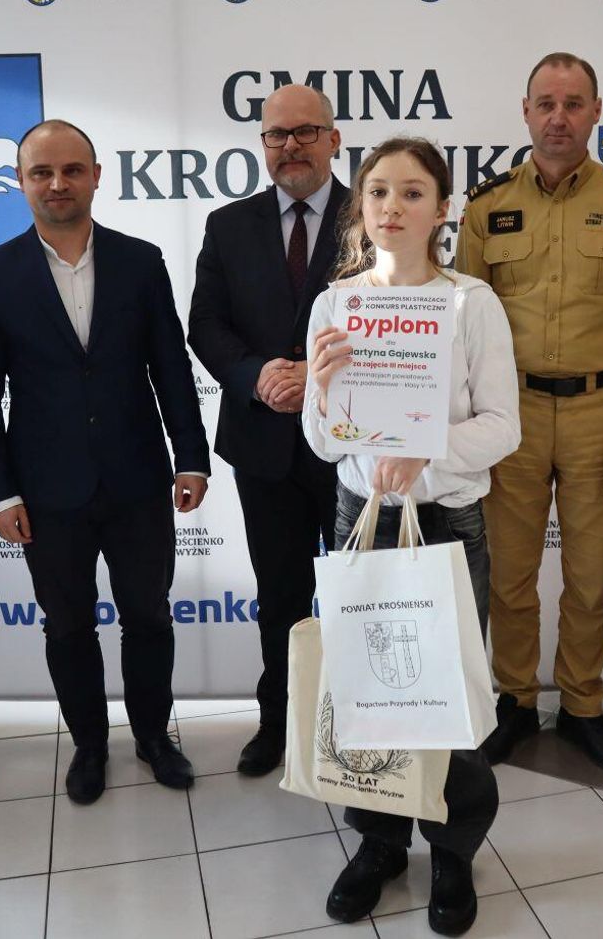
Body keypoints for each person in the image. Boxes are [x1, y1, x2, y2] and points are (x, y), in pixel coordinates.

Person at [304, 138, 519, 936]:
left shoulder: (470, 303)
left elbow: (503, 427)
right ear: (360, 207)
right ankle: (380, 842)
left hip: (445, 523)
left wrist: (428, 451)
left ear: (442, 209)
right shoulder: (337, 304)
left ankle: (453, 851)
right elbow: (325, 445)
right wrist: (322, 390)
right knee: (367, 697)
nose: (392, 206)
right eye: (379, 192)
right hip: (361, 521)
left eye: (413, 192)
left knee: (449, 701)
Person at [0, 119, 210, 802]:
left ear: (96, 176)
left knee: (149, 618)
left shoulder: (141, 261)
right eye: (41, 172)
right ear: (21, 182)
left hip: (138, 480)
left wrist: (191, 458)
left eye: (72, 169)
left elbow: (171, 368)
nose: (57, 183)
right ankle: (90, 747)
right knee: (67, 626)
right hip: (45, 490)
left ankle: (154, 738)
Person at [456, 52, 603, 772]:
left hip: (600, 418)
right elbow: (462, 330)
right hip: (510, 418)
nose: (559, 118)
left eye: (574, 104)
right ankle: (515, 701)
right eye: (546, 104)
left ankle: (582, 705)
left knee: (590, 578)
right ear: (525, 111)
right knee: (510, 577)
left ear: (596, 112)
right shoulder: (486, 207)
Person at [187, 85, 348, 775]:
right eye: (277, 135)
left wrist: (317, 375)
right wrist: (258, 375)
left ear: (333, 140)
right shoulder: (228, 225)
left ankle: (355, 726)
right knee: (280, 595)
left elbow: (395, 321)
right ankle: (279, 722)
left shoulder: (372, 217)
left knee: (354, 595)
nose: (291, 146)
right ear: (262, 145)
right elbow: (206, 325)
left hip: (352, 448)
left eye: (306, 132)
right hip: (263, 444)